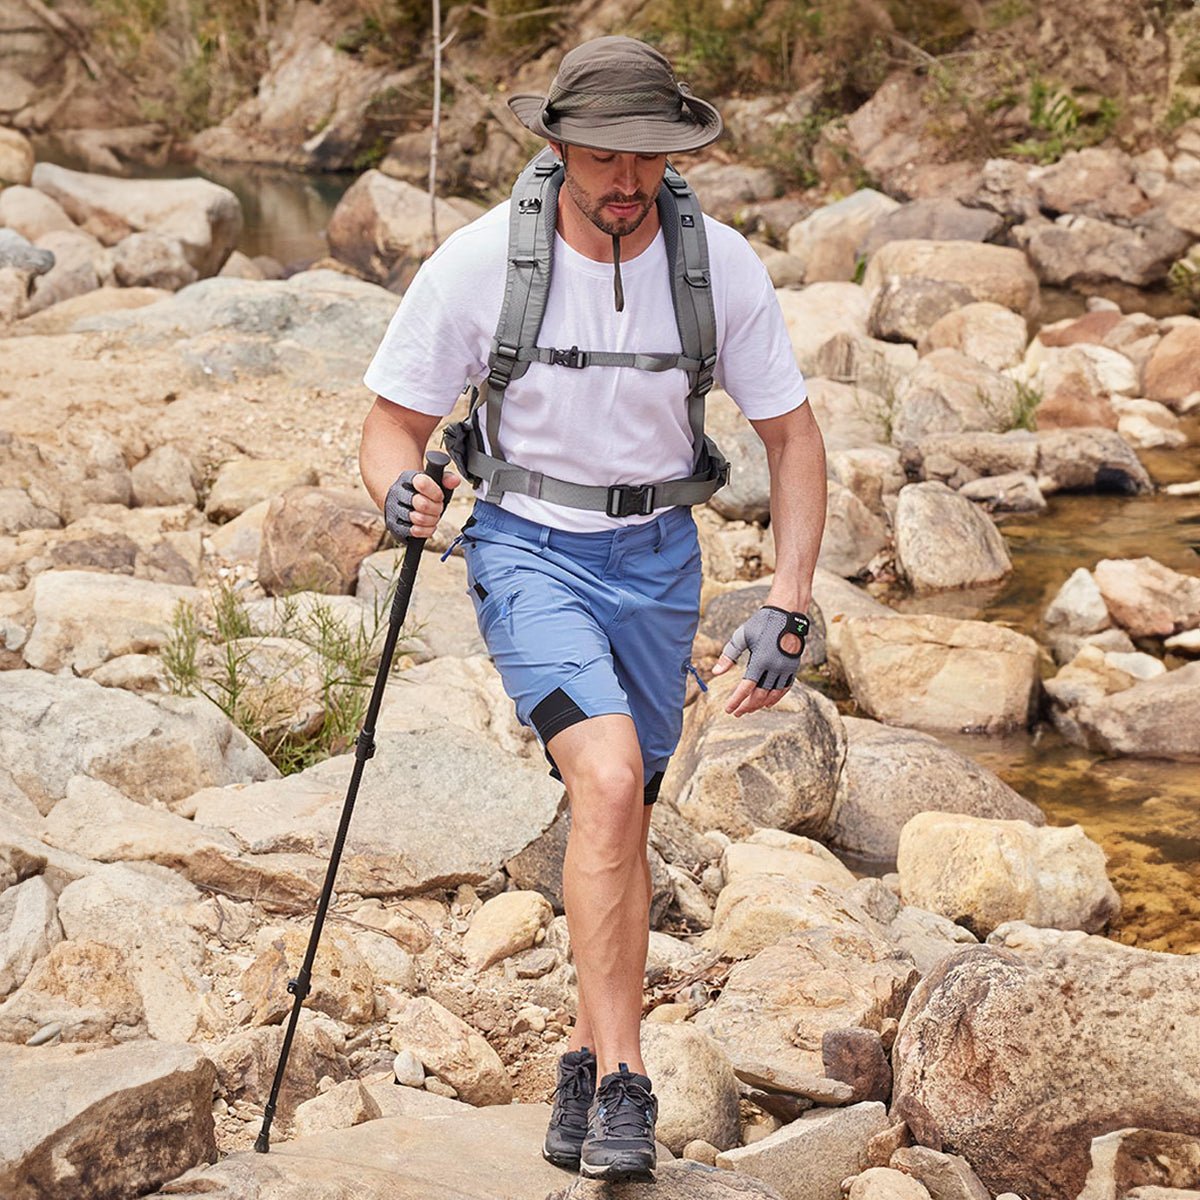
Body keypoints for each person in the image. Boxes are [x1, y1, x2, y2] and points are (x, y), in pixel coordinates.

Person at [358, 35, 826, 1184]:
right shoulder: (482, 264)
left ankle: (578, 1055)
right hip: (528, 554)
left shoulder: (717, 268)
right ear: (559, 145)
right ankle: (624, 1078)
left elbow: (792, 439)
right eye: (606, 155)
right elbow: (390, 426)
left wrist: (789, 602)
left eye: (650, 156)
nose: (628, 179)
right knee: (608, 781)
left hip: (661, 563)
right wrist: (399, 491)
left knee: (621, 810)